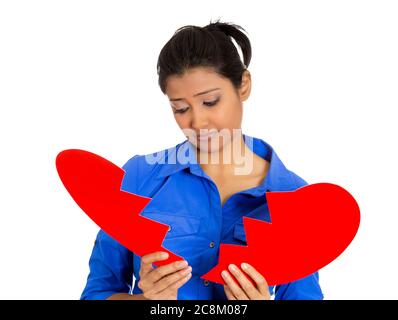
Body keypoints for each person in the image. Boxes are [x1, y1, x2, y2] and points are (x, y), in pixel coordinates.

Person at [80, 19, 324, 300]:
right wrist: (146, 302)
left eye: (210, 102)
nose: (197, 122)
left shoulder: (297, 200)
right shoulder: (138, 177)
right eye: (180, 108)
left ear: (243, 85)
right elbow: (97, 292)